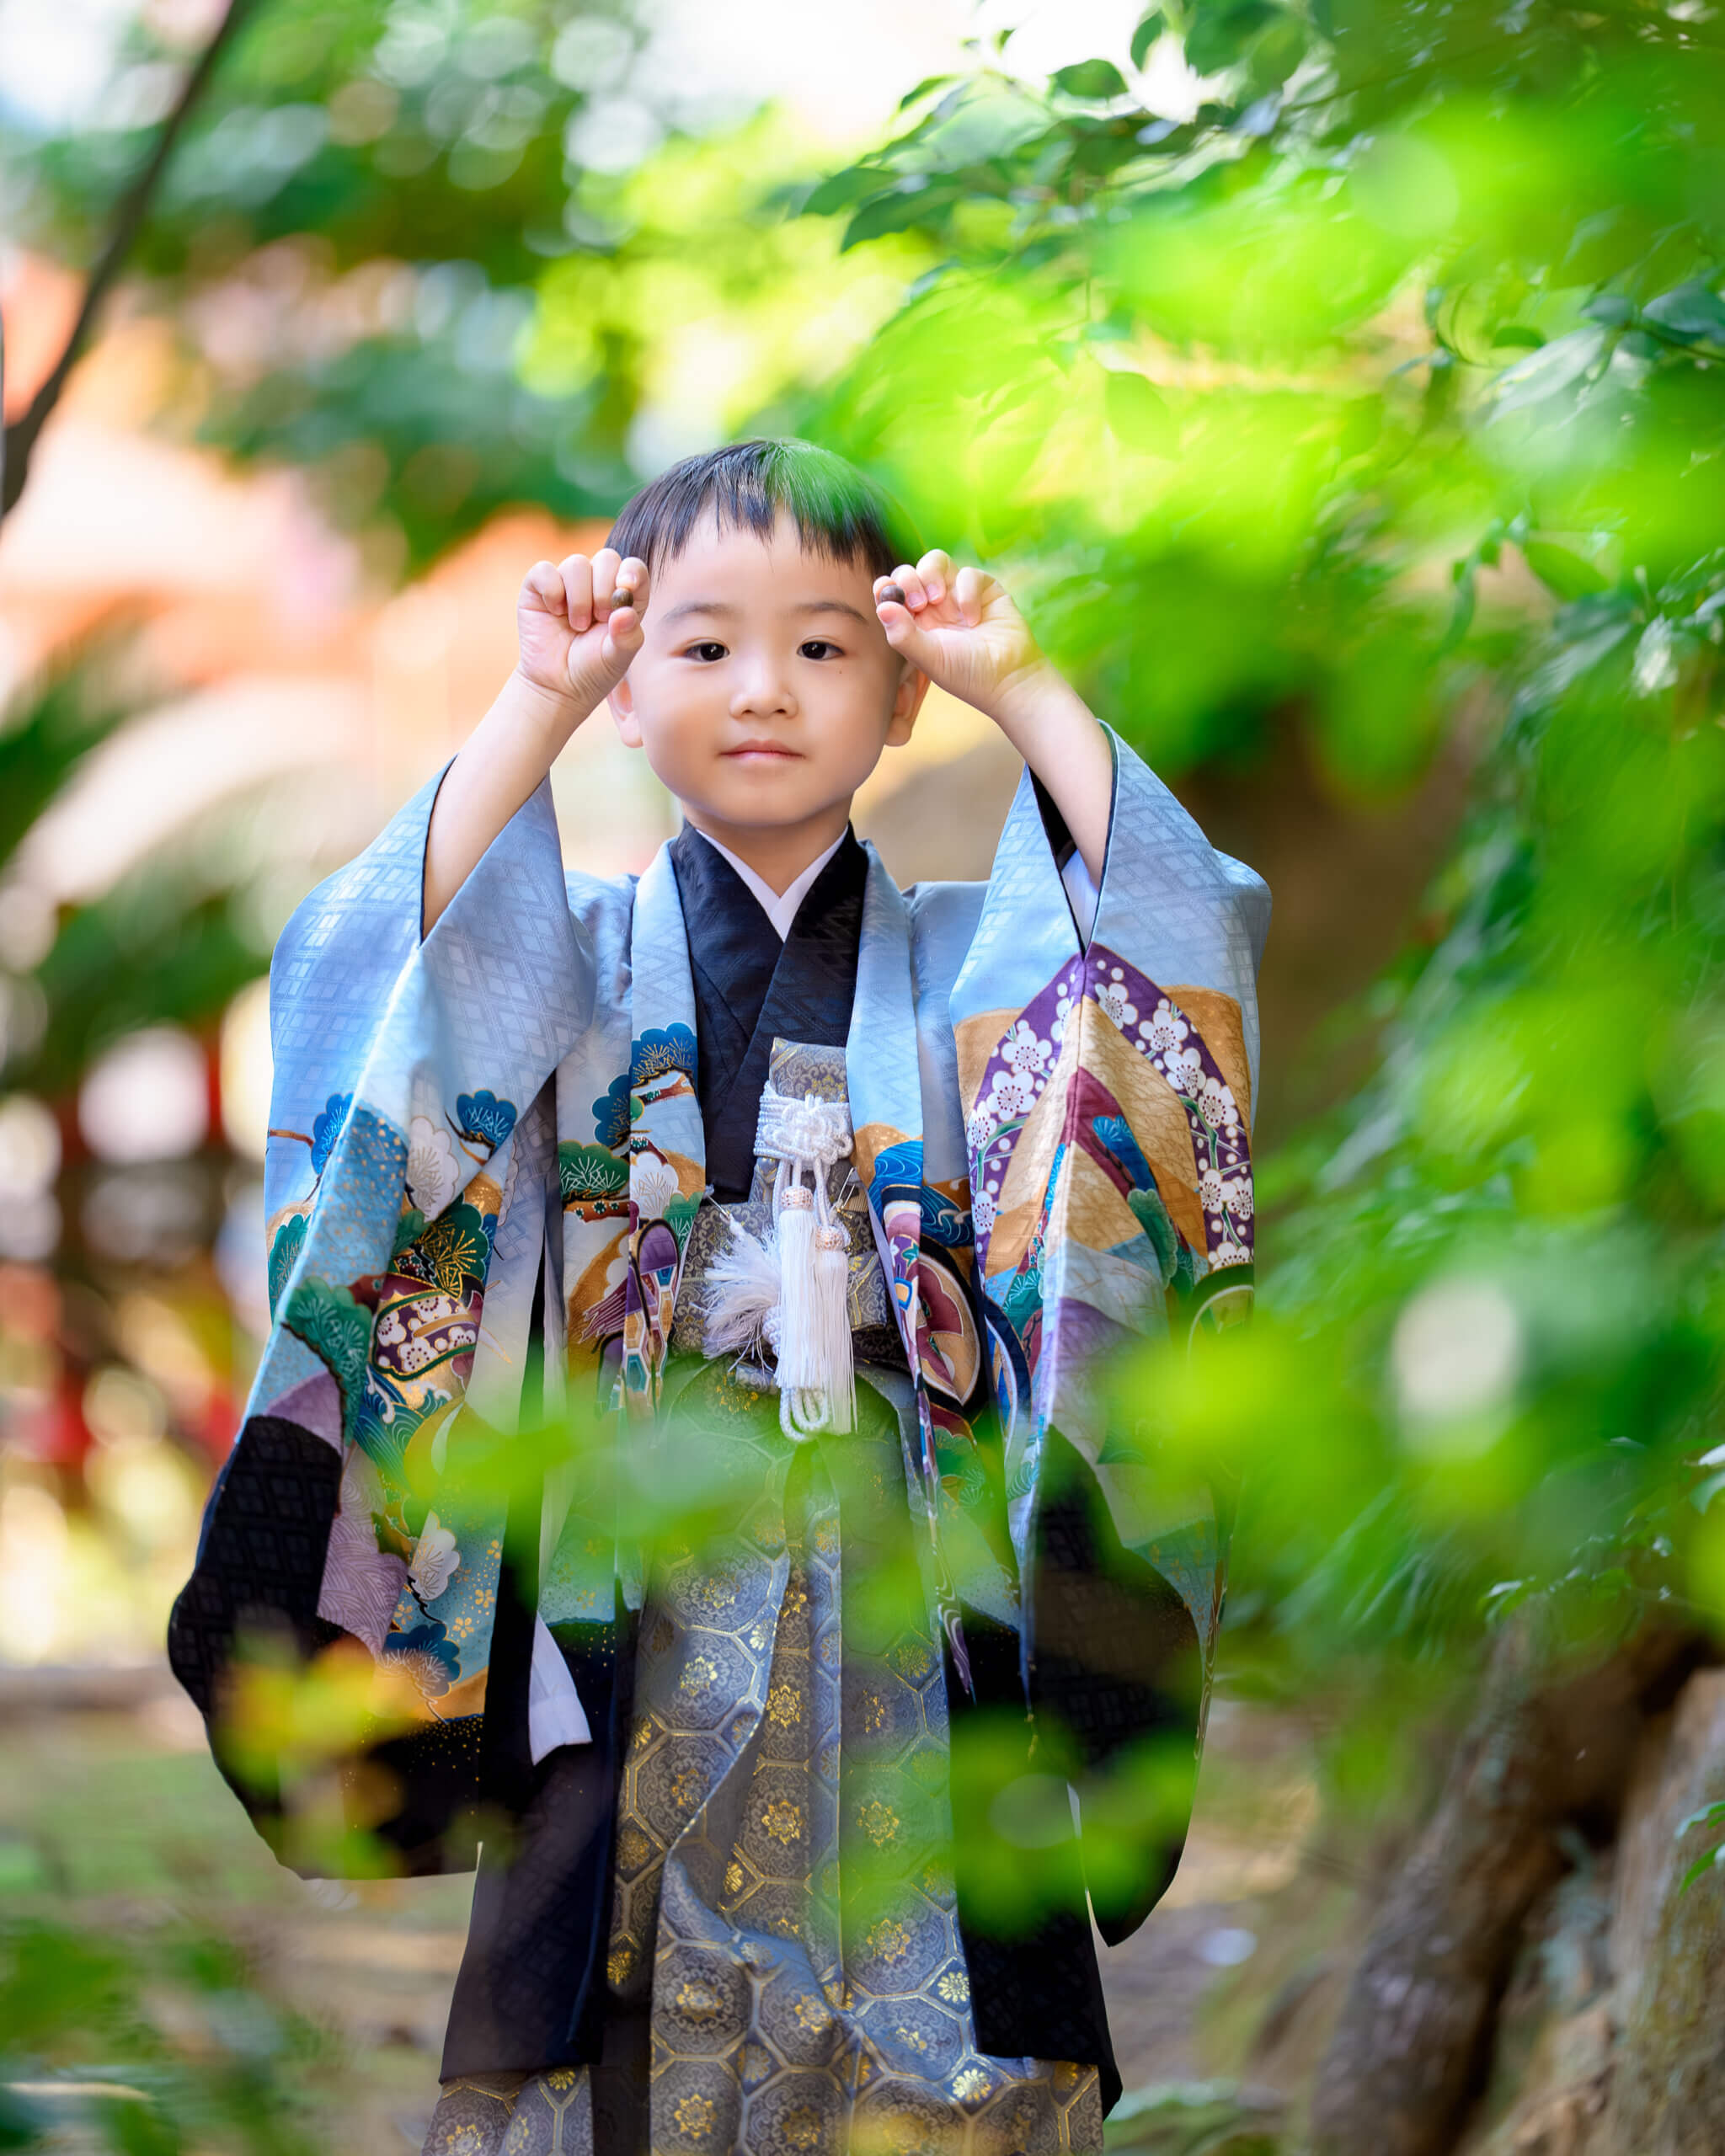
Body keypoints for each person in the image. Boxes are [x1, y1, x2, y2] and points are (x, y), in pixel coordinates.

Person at [168, 440, 1268, 2156]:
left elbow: (1167, 951)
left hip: (912, 1588)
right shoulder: (580, 960)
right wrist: (529, 701)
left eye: (826, 646)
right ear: (628, 689)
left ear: (904, 695)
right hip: (635, 1583)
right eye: (699, 646)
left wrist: (1026, 683)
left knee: (956, 2056)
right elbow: (382, 969)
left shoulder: (975, 957)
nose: (764, 688)